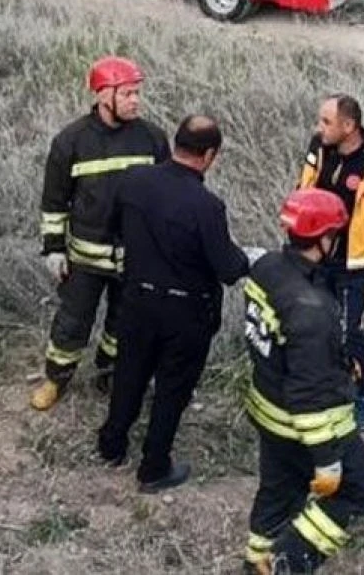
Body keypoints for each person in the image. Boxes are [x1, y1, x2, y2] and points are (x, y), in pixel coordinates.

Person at [95, 115, 252, 492]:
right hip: (184, 312)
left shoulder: (134, 181)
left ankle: (112, 444)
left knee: (129, 373)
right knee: (172, 388)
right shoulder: (206, 206)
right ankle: (153, 467)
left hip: (135, 300)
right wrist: (249, 258)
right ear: (210, 155)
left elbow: (113, 227)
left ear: (175, 143)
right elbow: (228, 269)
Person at [240, 188, 364, 574]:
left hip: (267, 406)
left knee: (279, 491)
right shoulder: (312, 311)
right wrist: (327, 461)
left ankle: (258, 560)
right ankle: (290, 560)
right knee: (362, 489)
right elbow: (310, 395)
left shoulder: (268, 267)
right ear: (323, 238)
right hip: (305, 425)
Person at [31, 56, 170, 411]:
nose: (136, 100)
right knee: (72, 323)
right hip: (84, 259)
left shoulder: (152, 138)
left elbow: (167, 195)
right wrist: (53, 249)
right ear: (103, 95)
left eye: (138, 93)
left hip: (135, 258)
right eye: (128, 94)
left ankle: (108, 374)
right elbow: (54, 202)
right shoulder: (70, 141)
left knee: (123, 323)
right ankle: (56, 378)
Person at [295, 94, 364, 431]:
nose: (320, 128)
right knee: (315, 325)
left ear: (350, 126)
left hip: (354, 263)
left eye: (326, 122)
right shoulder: (320, 145)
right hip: (314, 255)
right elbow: (304, 186)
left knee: (347, 332)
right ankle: (323, 387)